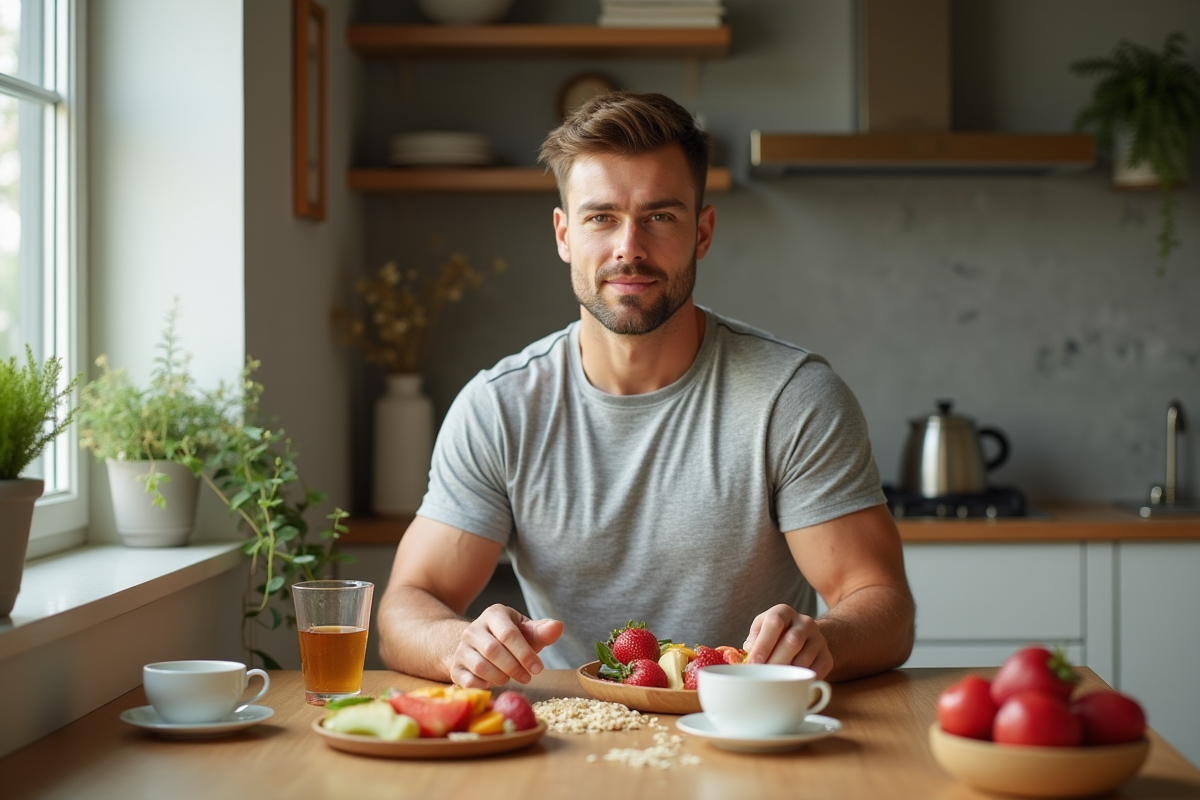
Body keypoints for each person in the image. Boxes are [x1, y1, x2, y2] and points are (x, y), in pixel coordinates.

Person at [376, 92, 915, 689]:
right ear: (563, 234)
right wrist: (460, 643)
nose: (628, 246)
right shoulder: (498, 408)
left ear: (702, 232)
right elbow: (408, 603)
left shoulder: (794, 398)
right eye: (600, 217)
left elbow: (882, 605)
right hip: (572, 734)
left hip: (745, 730)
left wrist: (824, 641)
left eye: (660, 216)